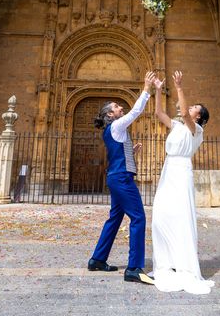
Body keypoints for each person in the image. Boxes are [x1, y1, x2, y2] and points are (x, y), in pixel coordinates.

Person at [88, 71, 156, 285]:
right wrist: (146, 88)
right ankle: (134, 268)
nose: (121, 109)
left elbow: (116, 153)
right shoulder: (117, 125)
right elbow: (136, 112)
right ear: (110, 115)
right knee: (138, 217)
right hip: (121, 179)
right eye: (117, 107)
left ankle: (97, 259)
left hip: (116, 177)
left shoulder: (113, 131)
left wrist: (131, 151)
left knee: (115, 218)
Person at [151, 70, 214, 294]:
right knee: (161, 214)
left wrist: (178, 86)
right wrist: (158, 90)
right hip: (168, 169)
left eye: (195, 107)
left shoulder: (196, 130)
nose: (189, 108)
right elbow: (159, 113)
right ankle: (166, 261)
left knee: (180, 215)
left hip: (181, 171)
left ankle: (183, 264)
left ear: (199, 116)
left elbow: (185, 114)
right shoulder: (178, 127)